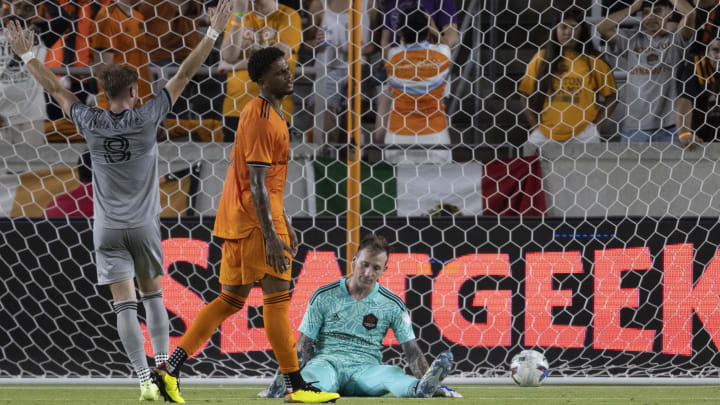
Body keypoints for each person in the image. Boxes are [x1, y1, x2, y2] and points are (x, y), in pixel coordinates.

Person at [4, 0, 232, 400]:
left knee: (124, 307)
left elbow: (56, 87)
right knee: (153, 296)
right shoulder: (147, 118)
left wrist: (25, 53)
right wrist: (212, 33)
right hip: (143, 225)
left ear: (104, 94)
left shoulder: (90, 121)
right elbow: (184, 73)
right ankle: (164, 369)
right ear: (133, 90)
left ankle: (143, 380)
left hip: (107, 228)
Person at [154, 47, 339, 404]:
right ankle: (296, 386)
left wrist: (283, 219)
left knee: (228, 301)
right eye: (281, 72)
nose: (290, 76)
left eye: (288, 70)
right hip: (256, 224)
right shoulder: (260, 119)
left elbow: (266, 182)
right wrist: (271, 234)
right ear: (262, 80)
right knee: (278, 303)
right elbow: (255, 182)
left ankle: (169, 370)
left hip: (245, 219)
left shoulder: (265, 113)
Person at [258, 233, 459, 399]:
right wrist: (289, 377)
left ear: (384, 270)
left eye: (376, 268)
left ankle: (421, 388)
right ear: (354, 260)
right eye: (365, 264)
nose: (368, 272)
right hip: (328, 362)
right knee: (312, 375)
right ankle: (287, 385)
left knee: (392, 374)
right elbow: (304, 345)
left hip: (366, 369)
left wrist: (432, 386)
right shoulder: (323, 296)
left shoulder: (392, 304)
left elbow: (412, 352)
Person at [597, 0, 695, 143]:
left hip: (670, 127)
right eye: (646, 13)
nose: (650, 16)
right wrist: (634, 7)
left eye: (657, 11)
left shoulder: (675, 40)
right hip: (634, 128)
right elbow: (602, 27)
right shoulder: (631, 39)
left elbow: (691, 14)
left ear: (670, 13)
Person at [518, 7, 617, 145]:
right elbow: (524, 95)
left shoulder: (594, 61)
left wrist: (596, 127)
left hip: (584, 133)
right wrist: (536, 127)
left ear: (582, 31)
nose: (568, 32)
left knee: (587, 166)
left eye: (574, 27)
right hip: (546, 133)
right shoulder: (541, 58)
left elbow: (612, 96)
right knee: (534, 164)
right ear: (555, 30)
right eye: (563, 27)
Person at [372, 0, 458, 146]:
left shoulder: (442, 2)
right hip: (398, 71)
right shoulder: (391, 2)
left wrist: (424, 56)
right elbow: (385, 40)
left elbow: (452, 37)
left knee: (426, 119)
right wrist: (396, 65)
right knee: (382, 131)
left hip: (430, 70)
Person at [218, 0, 301, 141]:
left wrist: (232, 66)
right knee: (236, 162)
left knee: (272, 162)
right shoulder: (239, 15)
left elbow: (276, 56)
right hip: (236, 107)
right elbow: (228, 55)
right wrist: (239, 15)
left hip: (274, 108)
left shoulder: (288, 15)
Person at [303, 0, 373, 145]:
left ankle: (347, 164)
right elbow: (306, 43)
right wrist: (317, 42)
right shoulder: (319, 4)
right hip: (327, 69)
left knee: (350, 130)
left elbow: (376, 44)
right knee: (325, 127)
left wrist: (361, 48)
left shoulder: (369, 4)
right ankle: (325, 162)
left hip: (358, 69)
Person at [90, 0, 154, 109]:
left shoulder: (138, 16)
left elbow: (144, 62)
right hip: (119, 107)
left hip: (142, 103)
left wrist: (152, 96)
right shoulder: (106, 17)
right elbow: (102, 70)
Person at [0, 0, 49, 145]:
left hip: (30, 117)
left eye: (27, 8)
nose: (20, 12)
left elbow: (62, 19)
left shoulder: (41, 34)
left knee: (32, 165)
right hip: (2, 115)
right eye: (17, 6)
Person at [675, 35, 720, 148]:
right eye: (715, 50)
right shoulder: (696, 67)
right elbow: (685, 99)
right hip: (699, 140)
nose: (719, 56)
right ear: (707, 52)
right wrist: (684, 133)